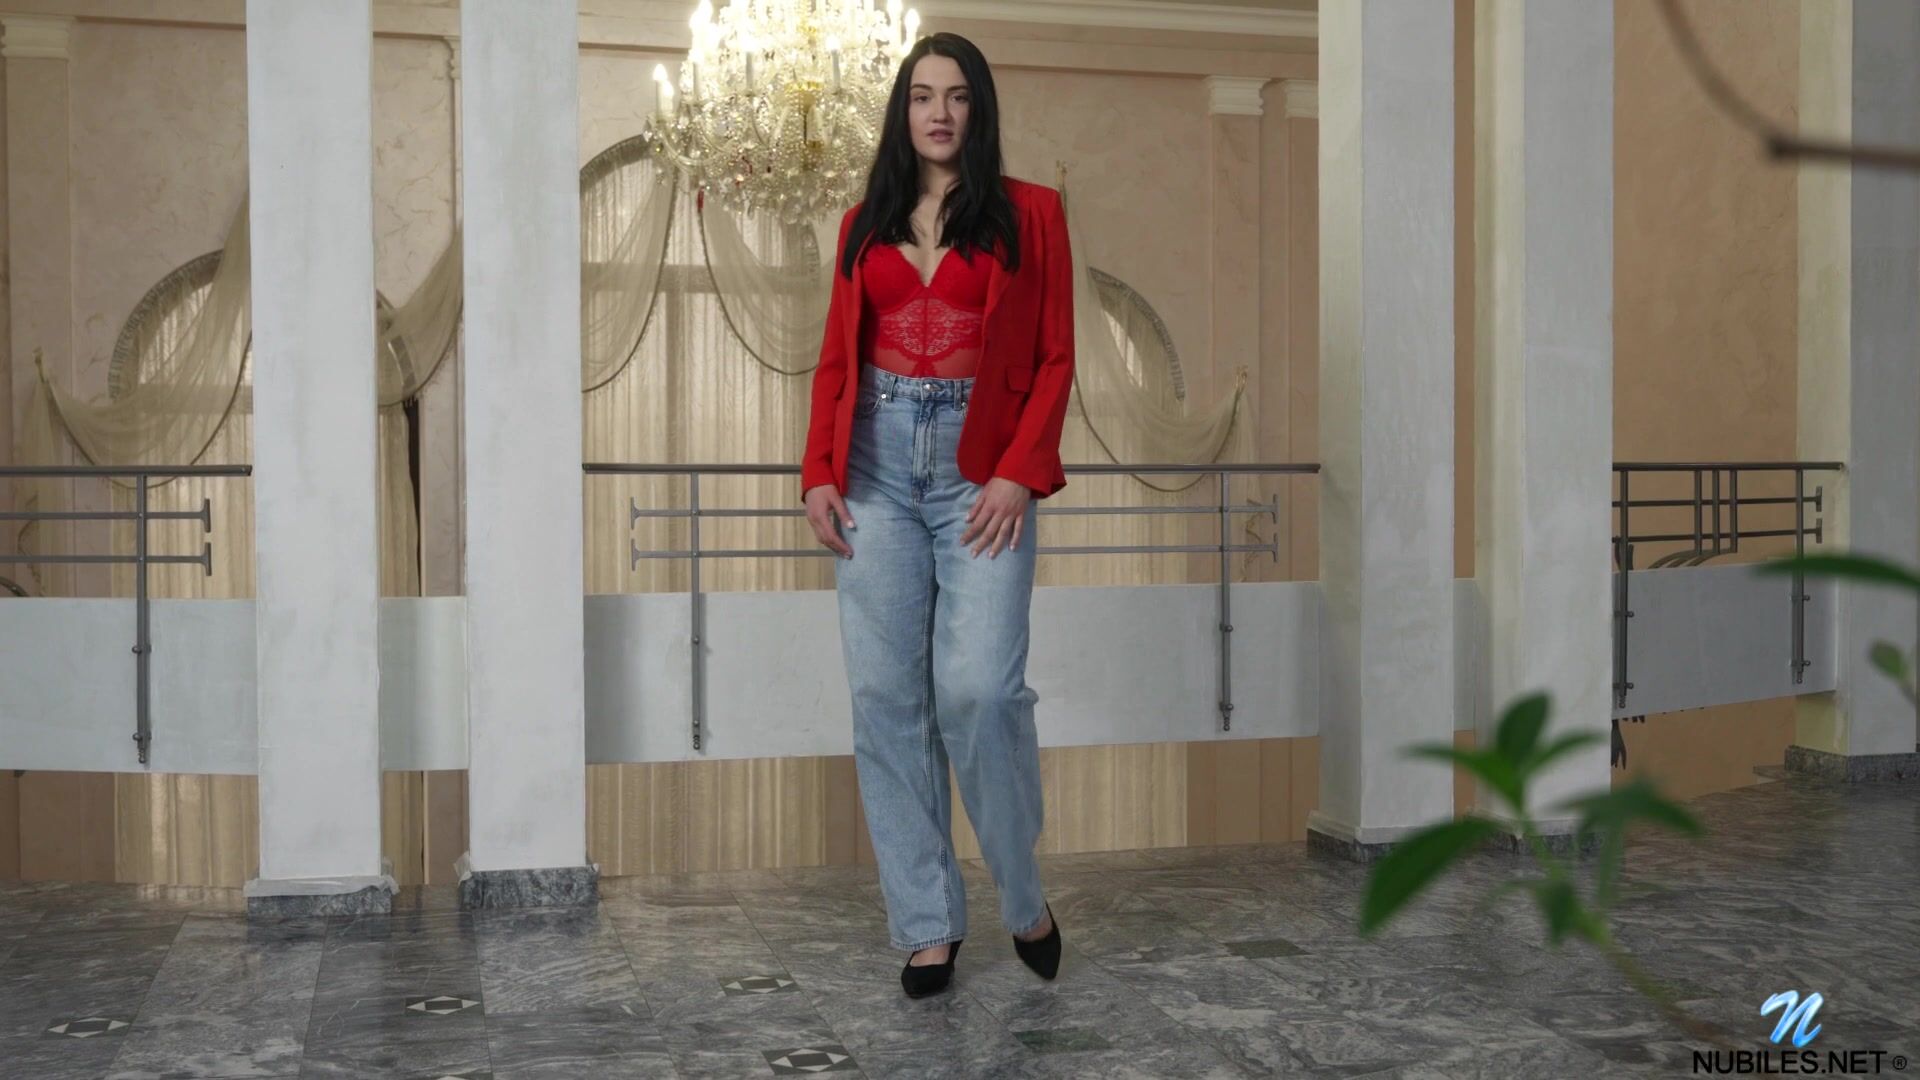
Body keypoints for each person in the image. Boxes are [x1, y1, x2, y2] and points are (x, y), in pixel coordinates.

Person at [799, 31, 1075, 999]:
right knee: (887, 702)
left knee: (980, 692)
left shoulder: (1032, 213)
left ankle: (1023, 893)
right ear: (902, 111)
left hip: (979, 474)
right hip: (873, 469)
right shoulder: (861, 223)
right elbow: (836, 358)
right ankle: (926, 924)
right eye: (923, 96)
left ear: (978, 108)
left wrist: (1017, 473)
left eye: (957, 96)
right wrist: (818, 471)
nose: (940, 113)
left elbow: (1055, 356)